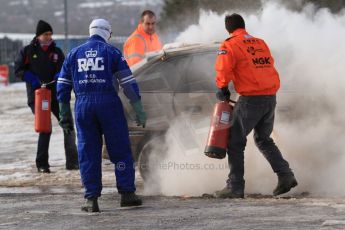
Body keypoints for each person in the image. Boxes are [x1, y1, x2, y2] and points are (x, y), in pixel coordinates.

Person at [57, 18, 146, 212]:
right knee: (120, 149)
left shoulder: (73, 54)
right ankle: (127, 194)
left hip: (83, 107)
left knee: (88, 152)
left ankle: (91, 200)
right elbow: (128, 82)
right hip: (108, 105)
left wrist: (64, 113)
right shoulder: (112, 52)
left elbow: (62, 85)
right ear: (107, 32)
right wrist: (137, 107)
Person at [214, 14, 298, 198]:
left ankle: (234, 186)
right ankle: (285, 175)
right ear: (243, 26)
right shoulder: (261, 43)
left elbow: (223, 69)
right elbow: (265, 67)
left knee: (235, 142)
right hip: (270, 97)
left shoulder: (229, 44)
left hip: (251, 99)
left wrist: (222, 89)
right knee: (263, 139)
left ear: (228, 29)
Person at [15, 20, 79, 173]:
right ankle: (42, 164)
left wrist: (59, 76)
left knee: (68, 125)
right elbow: (18, 70)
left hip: (56, 95)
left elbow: (64, 69)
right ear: (38, 35)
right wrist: (32, 78)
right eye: (45, 34)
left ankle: (73, 162)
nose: (48, 37)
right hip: (37, 97)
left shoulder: (56, 52)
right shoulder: (28, 51)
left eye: (50, 34)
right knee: (45, 128)